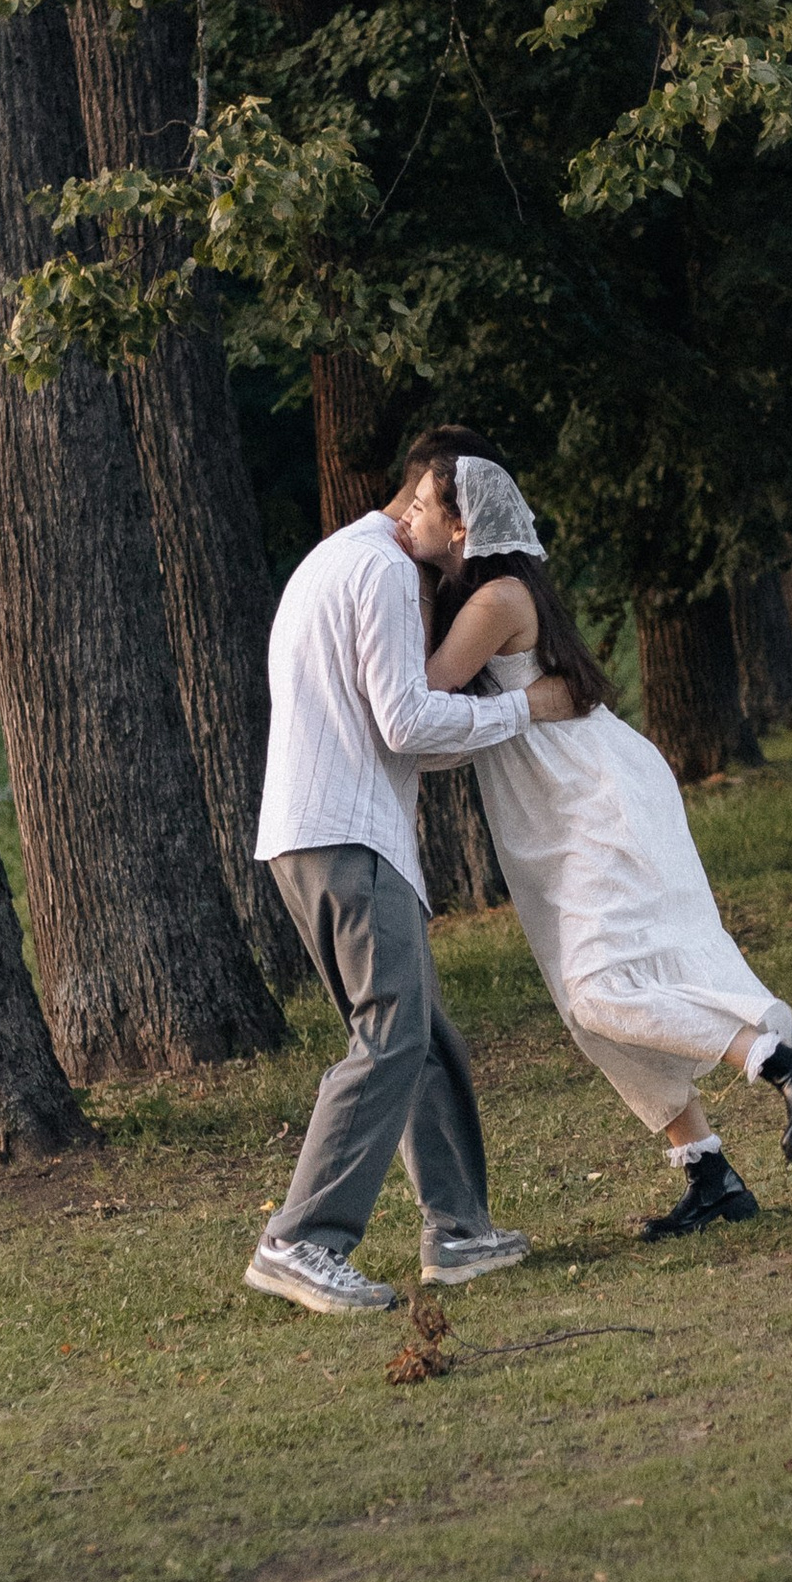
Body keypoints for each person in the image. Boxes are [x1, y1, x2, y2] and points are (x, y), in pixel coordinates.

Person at [406, 429, 792, 1238]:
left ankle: (788, 1065)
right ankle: (710, 1174)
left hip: (591, 796)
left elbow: (426, 693)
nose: (406, 517)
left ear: (463, 526)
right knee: (588, 1008)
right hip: (549, 811)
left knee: (603, 988)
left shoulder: (494, 598)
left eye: (421, 505)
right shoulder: (478, 594)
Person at [245, 450, 589, 1317]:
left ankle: (459, 1231)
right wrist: (526, 707)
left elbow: (408, 729)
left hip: (323, 830)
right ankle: (302, 1241)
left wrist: (487, 721)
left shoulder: (338, 559)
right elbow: (406, 723)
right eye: (458, 524)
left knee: (423, 1037)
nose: (463, 549)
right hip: (345, 834)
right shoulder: (387, 571)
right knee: (392, 1038)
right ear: (423, 504)